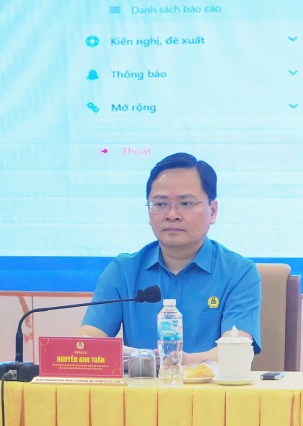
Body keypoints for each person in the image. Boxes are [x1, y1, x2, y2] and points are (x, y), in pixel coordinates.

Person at [79, 152, 261, 363]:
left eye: (186, 203)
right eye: (160, 204)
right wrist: (144, 359)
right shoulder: (123, 270)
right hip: (139, 392)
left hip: (211, 393)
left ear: (212, 211)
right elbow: (88, 344)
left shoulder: (239, 272)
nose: (172, 214)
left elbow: (235, 351)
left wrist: (183, 362)